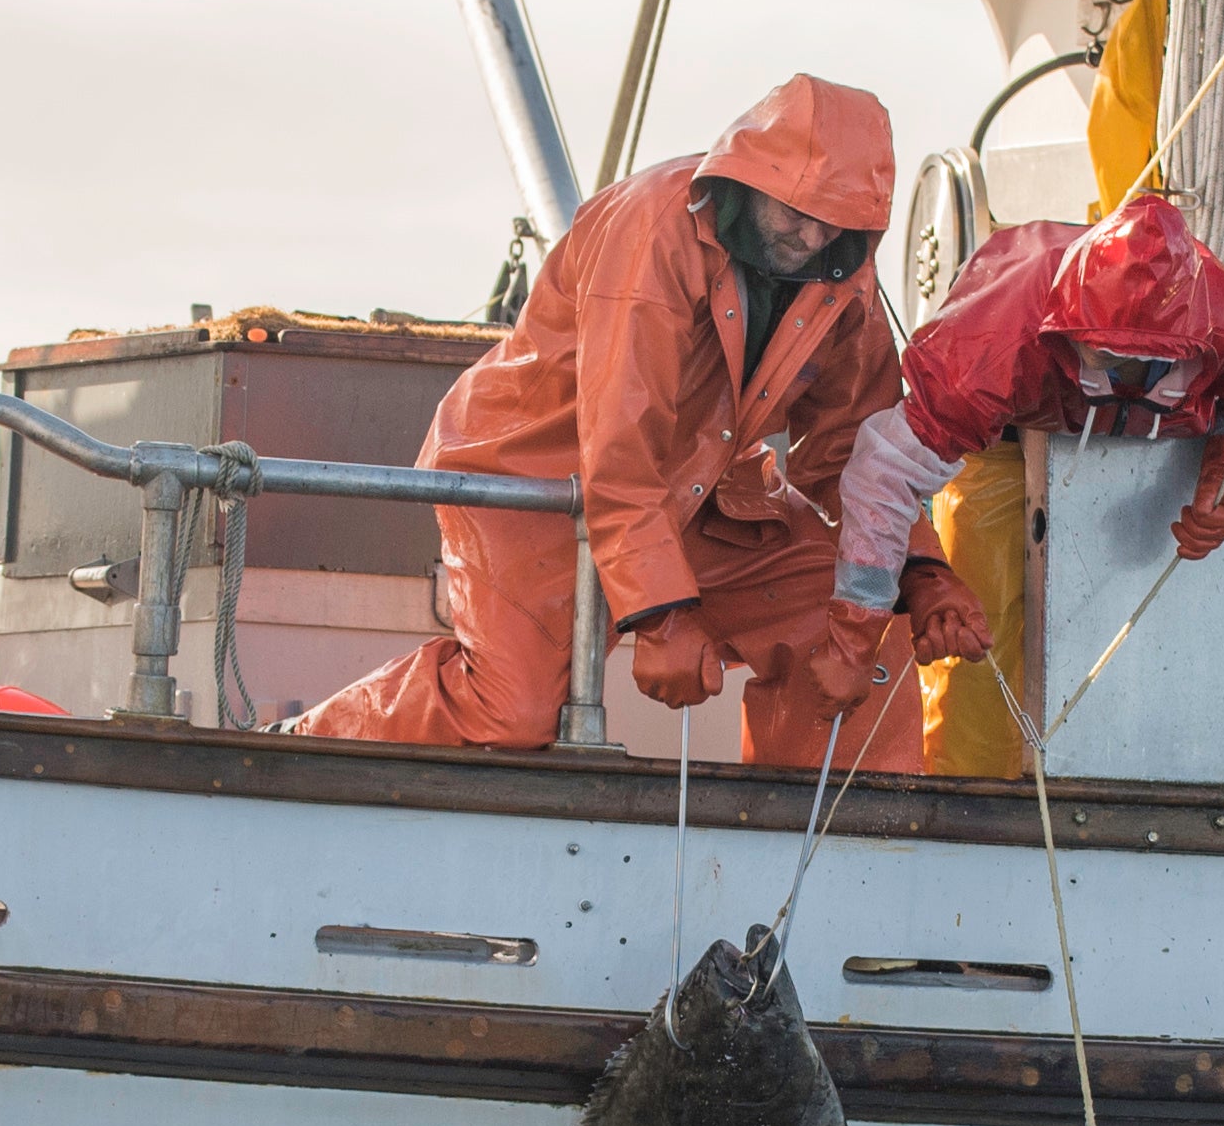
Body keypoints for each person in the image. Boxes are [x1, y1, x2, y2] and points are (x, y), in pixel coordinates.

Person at [288, 75, 986, 771]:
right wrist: (661, 613)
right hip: (529, 479)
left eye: (836, 223)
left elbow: (854, 450)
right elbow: (619, 450)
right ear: (751, 179)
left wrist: (920, 572)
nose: (811, 238)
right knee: (512, 715)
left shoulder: (843, 271)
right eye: (798, 214)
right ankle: (306, 747)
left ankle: (816, 857)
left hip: (703, 490)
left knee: (850, 643)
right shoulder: (651, 228)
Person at [814, 192, 1224, 775]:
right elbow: (884, 472)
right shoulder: (989, 345)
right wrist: (854, 635)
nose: (1113, 372)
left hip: (1138, 447)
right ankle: (976, 797)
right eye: (1097, 354)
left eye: (1136, 365)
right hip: (1000, 438)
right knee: (978, 633)